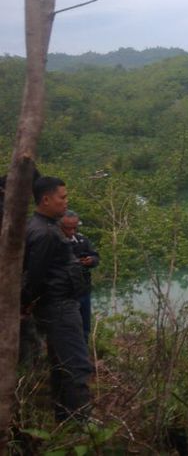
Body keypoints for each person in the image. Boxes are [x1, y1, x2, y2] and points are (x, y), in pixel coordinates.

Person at [23, 176, 92, 422]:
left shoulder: (43, 226)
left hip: (57, 305)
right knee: (77, 365)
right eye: (62, 197)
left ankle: (64, 419)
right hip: (59, 307)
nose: (66, 201)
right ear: (46, 199)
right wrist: (26, 302)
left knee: (61, 364)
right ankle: (80, 426)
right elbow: (35, 275)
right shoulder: (44, 233)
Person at [60, 210, 100, 344]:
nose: (71, 231)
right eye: (67, 228)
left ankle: (84, 355)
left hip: (84, 290)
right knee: (67, 329)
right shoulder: (55, 242)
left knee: (84, 327)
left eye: (75, 227)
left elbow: (95, 256)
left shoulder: (82, 240)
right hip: (65, 293)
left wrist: (91, 260)